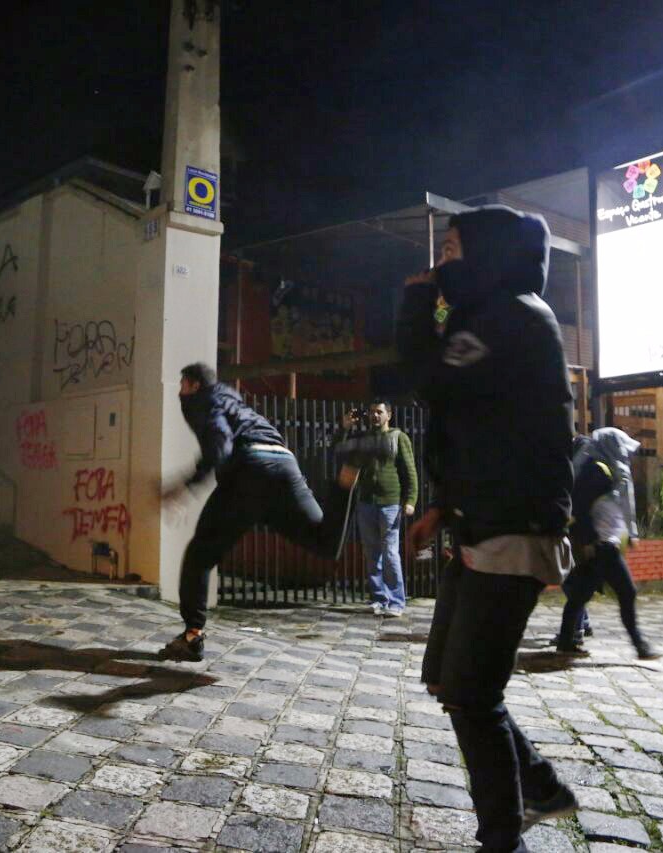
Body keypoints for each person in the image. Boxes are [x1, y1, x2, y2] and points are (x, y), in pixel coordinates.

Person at [399, 205, 577, 852]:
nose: (441, 263)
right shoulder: (492, 318)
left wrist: (416, 302)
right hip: (485, 523)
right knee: (452, 681)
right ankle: (542, 786)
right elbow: (484, 431)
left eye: (451, 249)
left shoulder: (515, 316)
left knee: (473, 693)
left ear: (487, 256)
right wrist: (441, 508)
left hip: (514, 529)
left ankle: (503, 838)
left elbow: (428, 380)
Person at [158, 363, 393, 662]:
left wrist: (184, 486)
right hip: (283, 462)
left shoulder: (202, 400)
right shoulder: (236, 400)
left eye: (182, 385)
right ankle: (349, 471)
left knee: (200, 554)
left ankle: (192, 636)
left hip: (248, 470)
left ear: (192, 384)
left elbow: (219, 444)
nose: (180, 392)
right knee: (325, 542)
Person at [554, 428, 660, 659]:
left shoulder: (603, 468)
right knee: (626, 592)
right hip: (601, 544)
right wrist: (590, 539)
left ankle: (565, 642)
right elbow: (580, 507)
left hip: (602, 543)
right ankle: (640, 645)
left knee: (580, 595)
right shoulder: (597, 470)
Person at [341, 401, 418, 617]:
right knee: (372, 552)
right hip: (366, 502)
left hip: (390, 503)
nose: (375, 416)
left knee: (390, 552)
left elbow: (409, 471)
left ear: (389, 415)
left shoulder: (398, 437)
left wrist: (410, 500)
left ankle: (396, 601)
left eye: (379, 412)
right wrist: (346, 427)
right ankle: (378, 598)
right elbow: (342, 452)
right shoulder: (365, 439)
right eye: (372, 412)